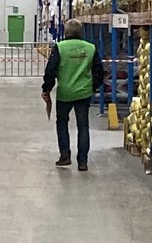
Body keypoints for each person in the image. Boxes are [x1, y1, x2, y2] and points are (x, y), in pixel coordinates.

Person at [41, 19, 104, 171]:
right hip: (84, 92)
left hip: (65, 93)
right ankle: (82, 162)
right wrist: (93, 87)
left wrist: (46, 88)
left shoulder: (60, 47)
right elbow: (99, 71)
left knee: (62, 123)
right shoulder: (90, 48)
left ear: (66, 31)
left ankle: (65, 156)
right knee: (83, 126)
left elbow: (51, 70)